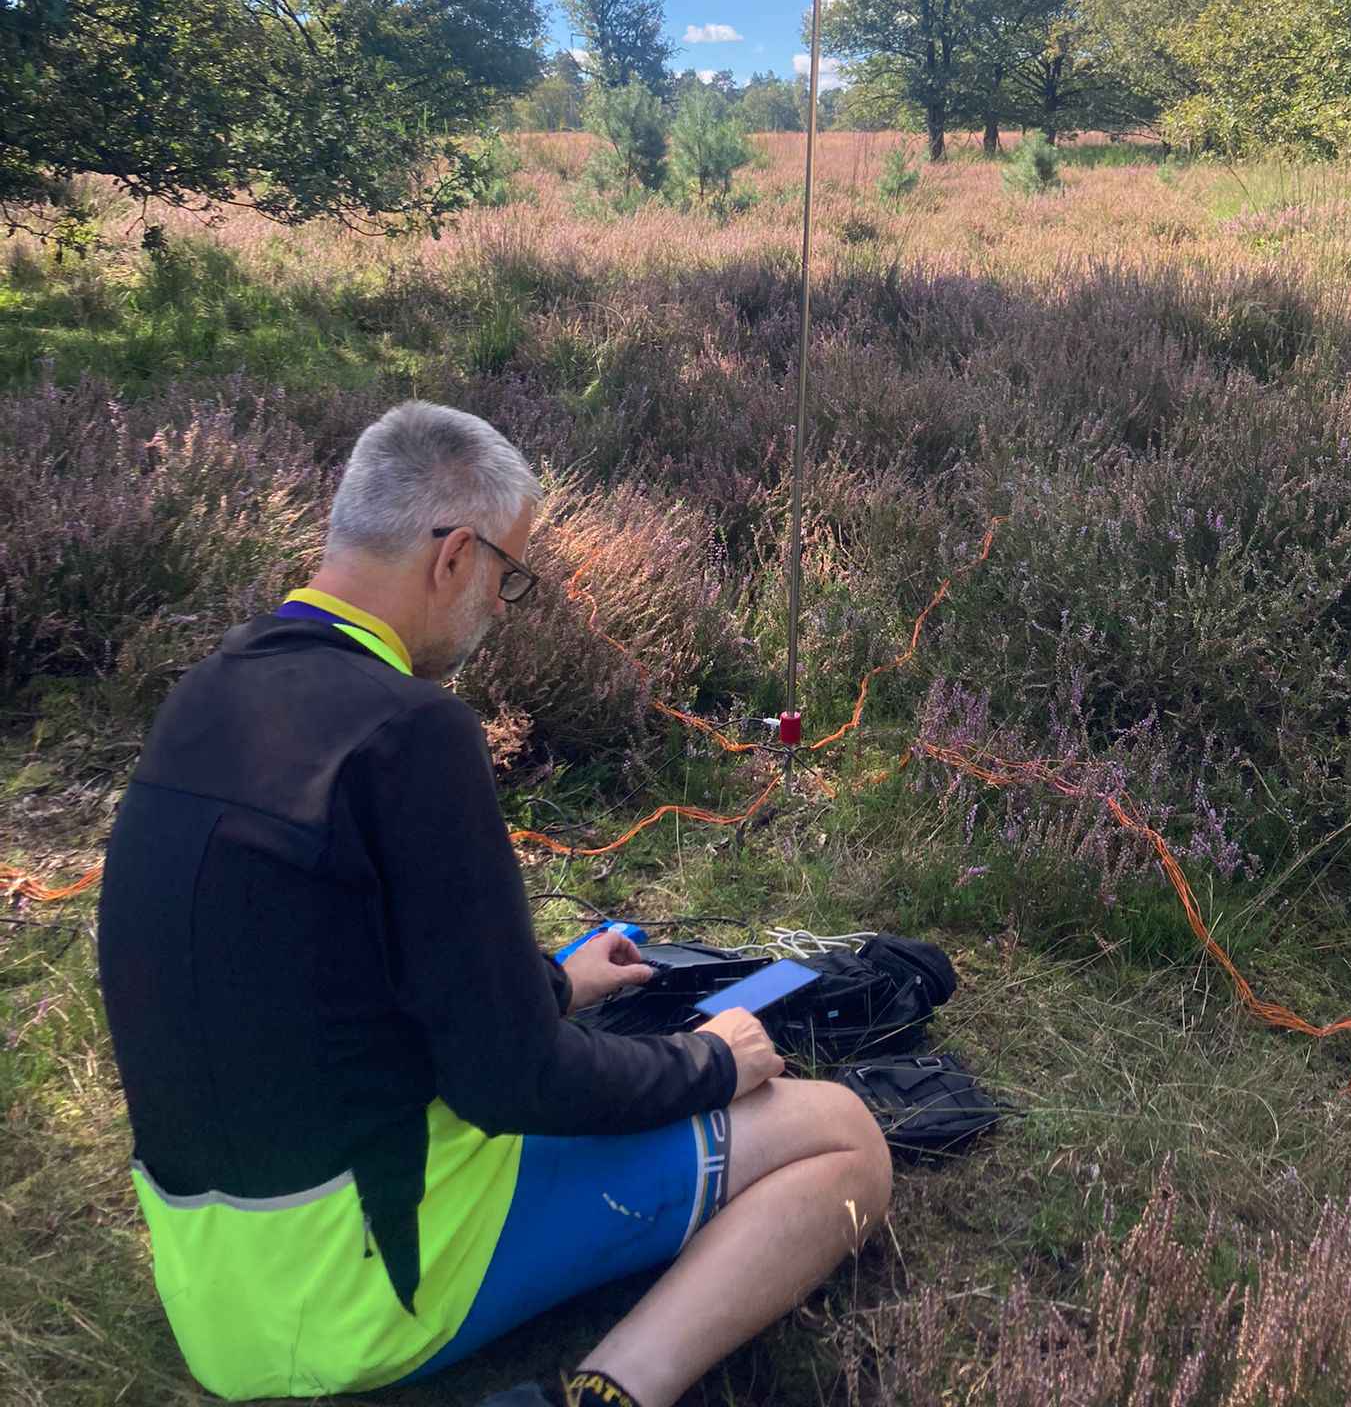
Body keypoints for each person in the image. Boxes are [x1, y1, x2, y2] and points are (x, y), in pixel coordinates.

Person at [97, 400, 891, 1407]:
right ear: (455, 556)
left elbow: (321, 988)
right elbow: (515, 1083)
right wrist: (711, 1062)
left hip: (216, 1290)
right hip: (358, 1292)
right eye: (510, 574)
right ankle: (610, 1389)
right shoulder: (413, 731)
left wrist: (553, 982)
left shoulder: (209, 690)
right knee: (843, 1134)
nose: (504, 607)